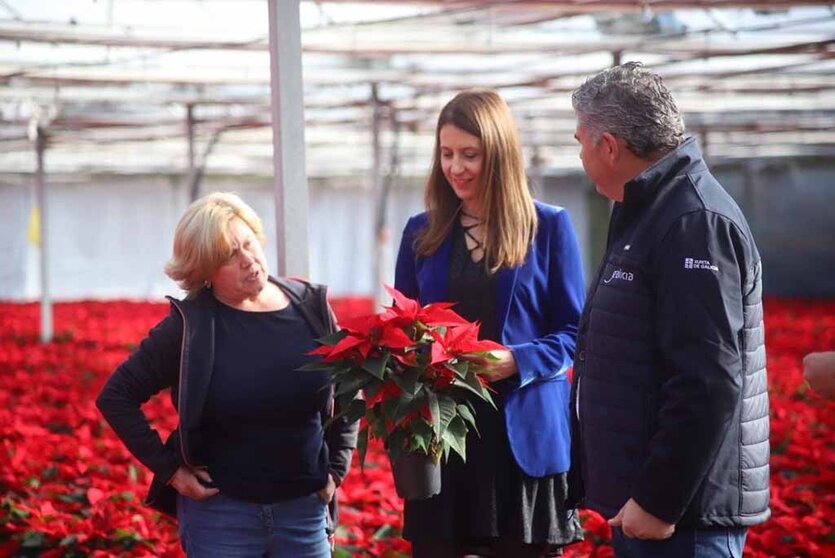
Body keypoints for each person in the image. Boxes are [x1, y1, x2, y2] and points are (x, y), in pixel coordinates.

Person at [568, 62, 770, 558]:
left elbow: (708, 379)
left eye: (580, 142)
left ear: (609, 146)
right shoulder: (650, 211)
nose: (580, 156)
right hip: (654, 511)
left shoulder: (692, 221)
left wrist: (658, 501)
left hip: (683, 521)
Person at [96, 192, 358, 557]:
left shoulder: (310, 308)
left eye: (248, 243)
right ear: (204, 272)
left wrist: (336, 468)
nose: (249, 261)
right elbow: (117, 396)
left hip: (303, 512)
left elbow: (350, 386)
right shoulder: (190, 327)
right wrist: (171, 471)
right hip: (222, 518)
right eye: (229, 256)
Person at [394, 89, 586, 558]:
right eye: (446, 154)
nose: (455, 167)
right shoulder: (422, 233)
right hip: (443, 438)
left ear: (498, 154)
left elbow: (576, 332)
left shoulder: (548, 227)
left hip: (522, 441)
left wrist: (515, 361)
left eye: (470, 155)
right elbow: (402, 327)